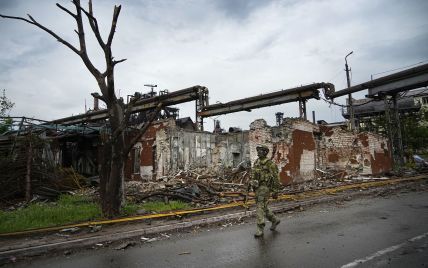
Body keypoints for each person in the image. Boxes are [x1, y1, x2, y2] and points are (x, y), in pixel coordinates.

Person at [250, 145, 281, 238]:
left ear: (265, 152)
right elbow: (253, 174)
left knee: (260, 206)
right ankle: (274, 219)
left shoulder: (269, 163)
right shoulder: (256, 162)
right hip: (257, 188)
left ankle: (260, 228)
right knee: (263, 207)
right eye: (258, 150)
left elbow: (276, 178)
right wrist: (251, 183)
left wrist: (275, 191)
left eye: (261, 150)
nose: (258, 152)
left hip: (265, 188)